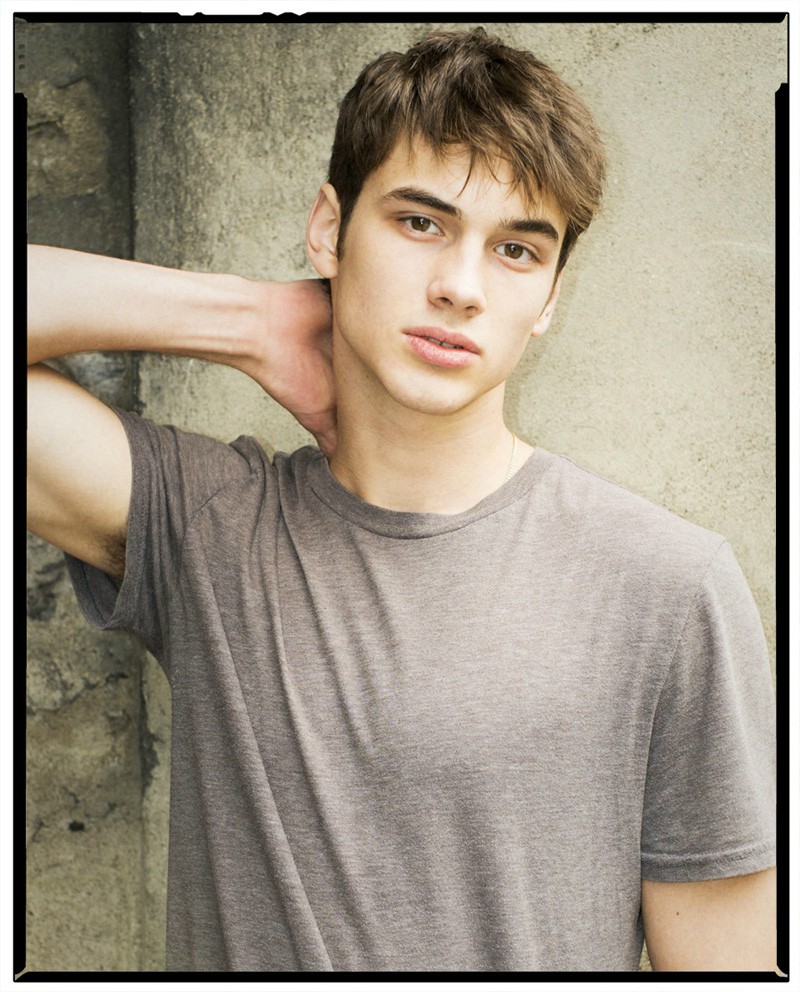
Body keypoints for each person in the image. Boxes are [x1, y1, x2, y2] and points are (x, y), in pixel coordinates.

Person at [26, 28, 776, 973]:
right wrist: (254, 320)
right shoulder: (208, 527)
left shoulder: (668, 586)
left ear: (550, 298)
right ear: (329, 228)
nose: (460, 287)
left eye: (516, 249)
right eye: (421, 223)